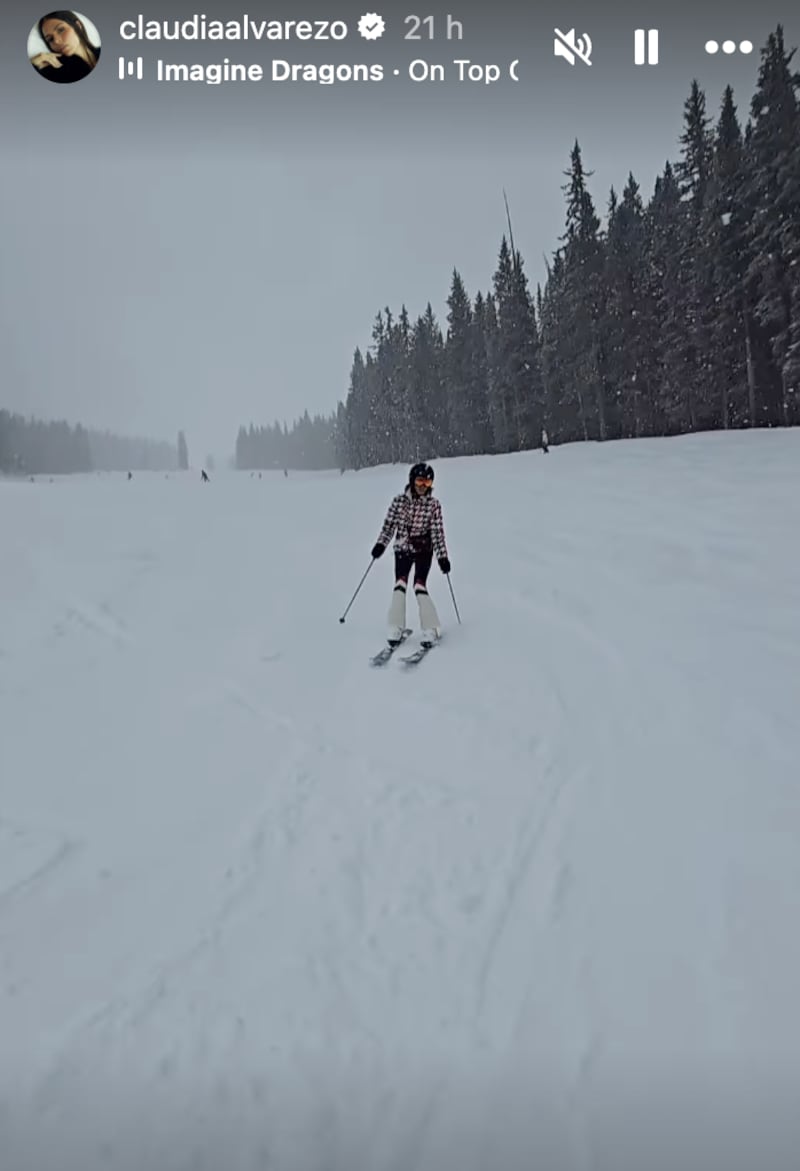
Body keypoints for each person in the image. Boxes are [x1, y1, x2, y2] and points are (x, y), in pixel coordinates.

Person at [371, 462, 450, 648]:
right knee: (400, 584)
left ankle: (431, 628)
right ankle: (395, 627)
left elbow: (438, 533)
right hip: (403, 547)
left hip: (424, 549)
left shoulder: (433, 505)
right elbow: (389, 527)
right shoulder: (399, 502)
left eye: (428, 483)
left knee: (419, 586)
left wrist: (442, 558)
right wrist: (380, 545)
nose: (423, 486)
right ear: (412, 481)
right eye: (420, 481)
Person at [30, 11, 101, 83]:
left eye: (61, 30)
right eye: (50, 39)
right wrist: (34, 65)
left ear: (78, 25)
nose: (56, 41)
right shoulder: (55, 72)